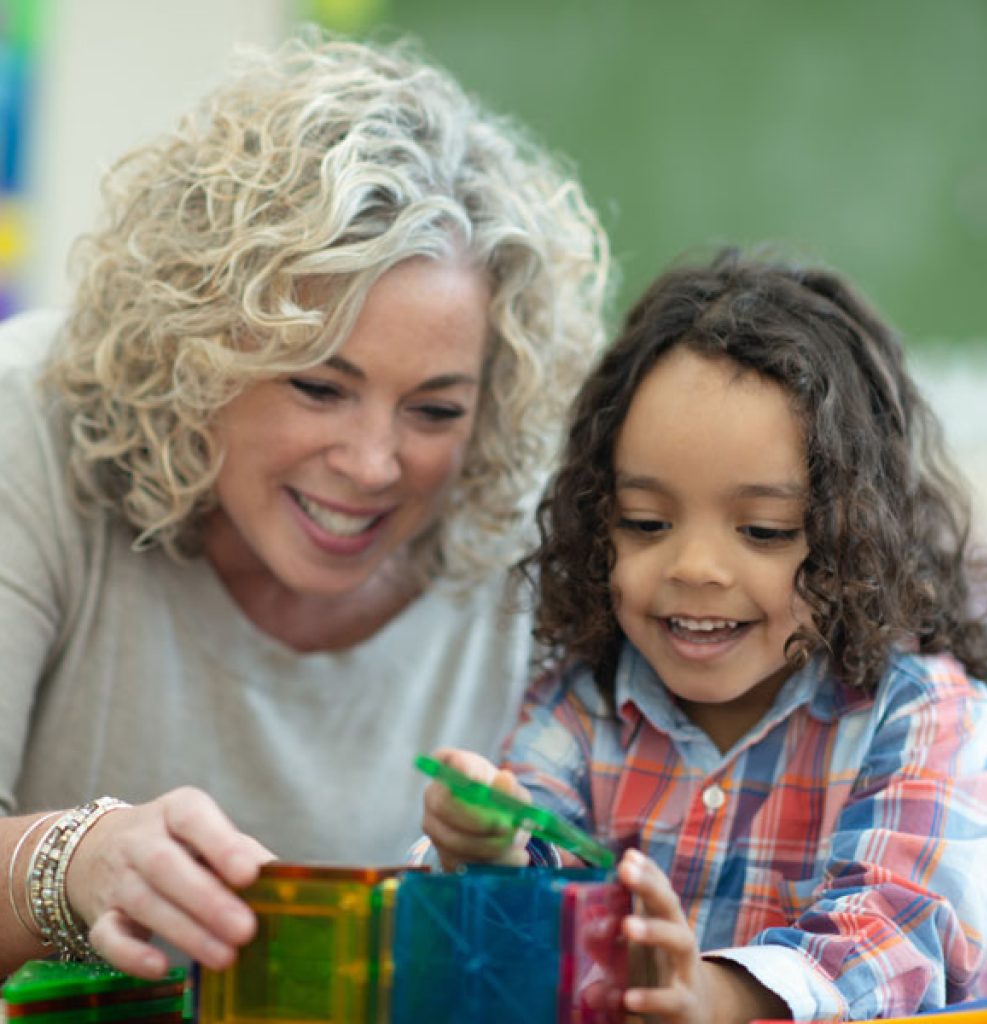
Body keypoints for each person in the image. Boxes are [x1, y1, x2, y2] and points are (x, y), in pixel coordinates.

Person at [0, 34, 609, 979]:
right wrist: (75, 863)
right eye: (319, 387)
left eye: (436, 409)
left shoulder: (535, 523)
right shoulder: (23, 423)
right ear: (198, 349)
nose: (373, 465)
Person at [422, 249, 987, 1022]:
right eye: (647, 522)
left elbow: (897, 941)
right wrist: (487, 851)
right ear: (597, 524)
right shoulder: (582, 710)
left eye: (764, 530)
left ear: (855, 537)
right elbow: (515, 927)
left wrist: (715, 998)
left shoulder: (923, 719)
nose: (696, 567)